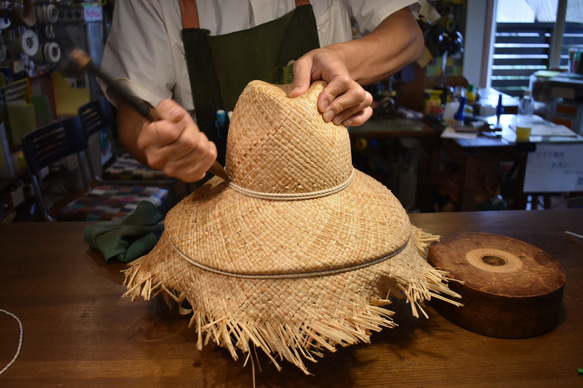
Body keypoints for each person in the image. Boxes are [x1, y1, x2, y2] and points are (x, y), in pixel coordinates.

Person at [100, 0, 423, 183]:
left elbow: (408, 34)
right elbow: (134, 107)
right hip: (219, 199)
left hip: (329, 193)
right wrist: (153, 137)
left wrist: (343, 59)